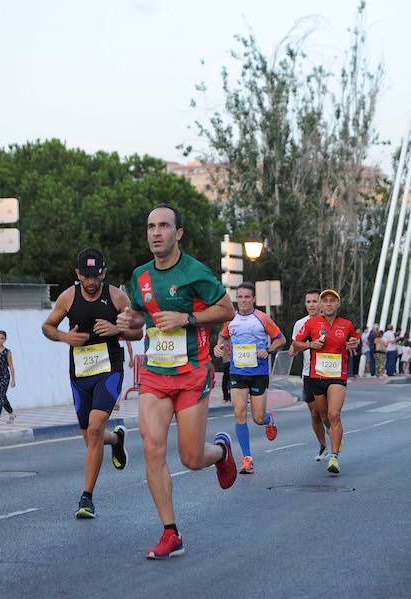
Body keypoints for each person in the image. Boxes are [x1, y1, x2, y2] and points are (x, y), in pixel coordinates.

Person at [115, 203, 237, 560]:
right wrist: (129, 324)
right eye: (151, 226)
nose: (156, 232)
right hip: (155, 373)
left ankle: (220, 452)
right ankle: (171, 532)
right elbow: (139, 320)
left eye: (164, 226)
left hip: (191, 373)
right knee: (152, 448)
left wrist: (186, 317)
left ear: (178, 233)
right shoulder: (141, 276)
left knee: (190, 458)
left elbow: (226, 310)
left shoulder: (195, 272)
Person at [41, 248, 140, 518]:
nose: (91, 281)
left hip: (109, 370)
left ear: (104, 273)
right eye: (86, 276)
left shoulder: (117, 297)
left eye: (95, 276)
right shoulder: (68, 297)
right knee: (89, 436)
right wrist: (64, 338)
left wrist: (118, 329)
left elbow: (138, 329)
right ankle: (116, 440)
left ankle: (86, 498)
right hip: (80, 373)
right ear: (78, 274)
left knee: (95, 427)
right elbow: (47, 326)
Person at [214, 282, 285, 474]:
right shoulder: (230, 319)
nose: (243, 300)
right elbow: (223, 338)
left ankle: (269, 420)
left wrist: (268, 350)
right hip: (238, 372)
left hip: (259, 373)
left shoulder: (262, 318)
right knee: (239, 413)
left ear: (253, 299)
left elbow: (281, 339)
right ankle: (247, 458)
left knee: (258, 418)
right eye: (240, 297)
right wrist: (219, 347)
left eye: (247, 297)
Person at [292, 289, 360, 475]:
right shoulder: (312, 324)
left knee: (334, 414)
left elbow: (355, 339)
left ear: (338, 304)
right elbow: (296, 344)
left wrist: (354, 342)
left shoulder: (346, 324)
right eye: (326, 301)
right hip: (317, 376)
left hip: (337, 376)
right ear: (321, 305)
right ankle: (332, 439)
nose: (329, 304)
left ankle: (334, 457)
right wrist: (310, 345)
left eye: (333, 301)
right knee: (324, 417)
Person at [288, 289, 329, 461]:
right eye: (308, 302)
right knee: (314, 413)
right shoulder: (300, 324)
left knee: (327, 413)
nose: (311, 305)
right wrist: (294, 349)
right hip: (308, 373)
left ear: (320, 303)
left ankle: (333, 432)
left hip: (327, 373)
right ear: (305, 304)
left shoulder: (328, 322)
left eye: (314, 301)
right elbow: (295, 345)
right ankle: (323, 446)